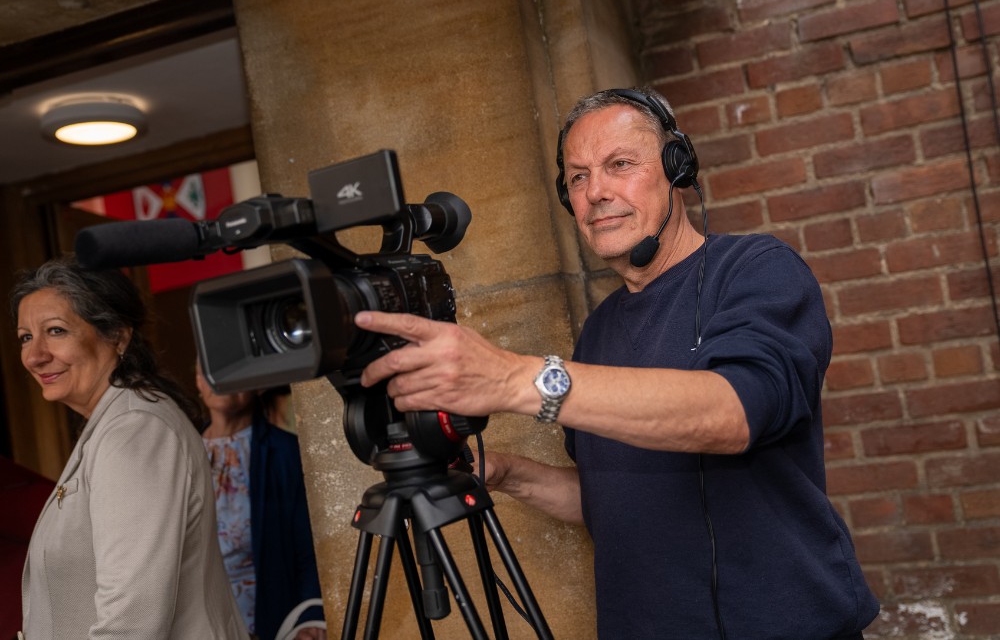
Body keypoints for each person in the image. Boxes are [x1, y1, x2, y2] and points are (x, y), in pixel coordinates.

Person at [350, 88, 880, 639]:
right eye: (578, 177)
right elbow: (608, 498)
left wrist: (514, 378)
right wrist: (507, 473)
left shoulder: (756, 269)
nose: (596, 192)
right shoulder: (599, 330)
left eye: (620, 165)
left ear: (676, 168)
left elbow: (734, 412)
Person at [11, 255, 246, 638]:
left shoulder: (135, 430)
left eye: (55, 331)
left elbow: (131, 619)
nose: (35, 356)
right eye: (25, 337)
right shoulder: (113, 423)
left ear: (118, 336)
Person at [196, 362, 325, 640]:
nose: (220, 377)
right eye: (209, 366)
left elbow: (310, 550)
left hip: (272, 624)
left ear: (258, 384)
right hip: (199, 624)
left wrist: (308, 621)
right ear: (197, 380)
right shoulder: (182, 451)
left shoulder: (287, 453)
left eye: (232, 365)